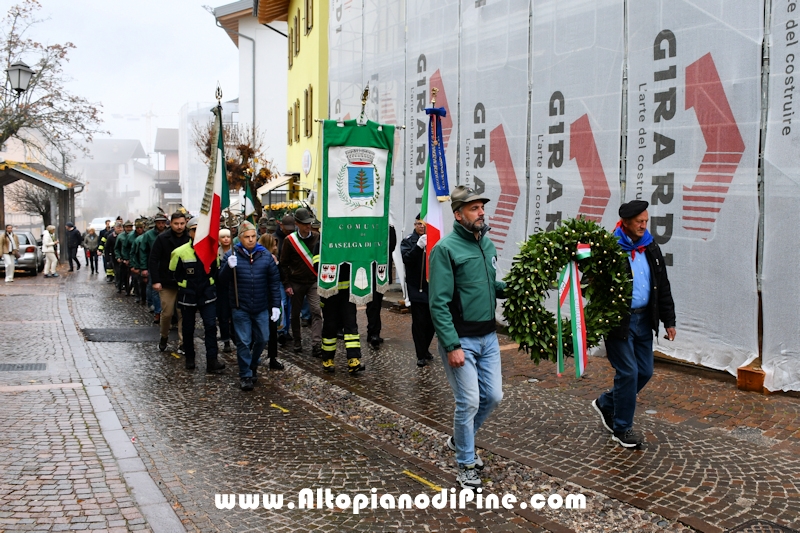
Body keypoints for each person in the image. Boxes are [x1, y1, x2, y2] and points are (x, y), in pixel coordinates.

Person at [429, 185, 506, 491]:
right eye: (474, 209)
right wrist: (451, 345)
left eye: (482, 207)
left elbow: (490, 285)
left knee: (494, 396)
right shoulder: (446, 249)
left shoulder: (486, 245)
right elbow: (438, 303)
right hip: (462, 340)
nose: (481, 213)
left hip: (488, 337)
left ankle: (460, 438)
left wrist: (519, 287)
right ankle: (466, 464)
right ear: (458, 214)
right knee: (469, 400)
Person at [591, 200, 676, 449]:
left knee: (645, 371)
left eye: (645, 221)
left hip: (643, 320)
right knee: (628, 373)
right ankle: (622, 428)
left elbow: (663, 285)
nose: (643, 225)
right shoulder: (609, 248)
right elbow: (588, 274)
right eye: (639, 222)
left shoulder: (650, 246)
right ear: (625, 223)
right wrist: (582, 249)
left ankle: (607, 403)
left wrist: (669, 320)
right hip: (619, 320)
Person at [218, 221, 283, 391]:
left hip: (261, 306)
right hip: (241, 307)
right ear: (240, 238)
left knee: (263, 338)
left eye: (254, 236)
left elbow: (274, 282)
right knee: (244, 341)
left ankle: (253, 363)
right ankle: (245, 374)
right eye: (247, 237)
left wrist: (276, 305)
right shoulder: (232, 255)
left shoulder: (266, 256)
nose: (251, 240)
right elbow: (221, 282)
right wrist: (227, 267)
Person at [169, 218, 226, 374]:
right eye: (194, 230)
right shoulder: (180, 252)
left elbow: (216, 269)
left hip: (207, 294)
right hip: (188, 295)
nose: (197, 233)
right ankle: (190, 358)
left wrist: (210, 283)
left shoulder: (211, 250)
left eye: (199, 230)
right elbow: (174, 273)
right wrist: (186, 285)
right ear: (189, 232)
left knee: (210, 327)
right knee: (188, 328)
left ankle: (212, 360)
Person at [280, 207, 323, 357]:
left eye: (309, 223)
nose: (308, 226)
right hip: (296, 282)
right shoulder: (289, 241)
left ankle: (316, 344)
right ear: (297, 223)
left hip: (313, 281)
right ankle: (297, 341)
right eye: (304, 223)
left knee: (316, 311)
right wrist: (286, 284)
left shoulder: (318, 237)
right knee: (295, 314)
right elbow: (283, 264)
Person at [149, 212, 190, 353]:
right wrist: (156, 281)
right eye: (176, 224)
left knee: (182, 313)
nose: (179, 227)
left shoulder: (189, 238)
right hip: (167, 282)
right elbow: (153, 260)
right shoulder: (162, 239)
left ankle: (183, 343)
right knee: (166, 314)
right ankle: (164, 336)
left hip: (185, 281)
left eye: (182, 224)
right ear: (170, 224)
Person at [319, 263, 365, 375]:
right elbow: (317, 264)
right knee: (330, 326)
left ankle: (353, 359)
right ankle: (328, 359)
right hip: (328, 292)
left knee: (351, 325)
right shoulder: (323, 245)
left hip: (347, 293)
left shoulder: (347, 244)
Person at [402, 215, 435, 367]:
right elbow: (407, 259)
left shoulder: (434, 238)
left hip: (432, 287)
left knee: (432, 323)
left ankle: (425, 347)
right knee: (419, 322)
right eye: (419, 224)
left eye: (424, 224)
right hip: (416, 287)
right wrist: (418, 247)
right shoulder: (408, 240)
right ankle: (420, 354)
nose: (422, 227)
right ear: (415, 225)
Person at [365, 225, 396, 348]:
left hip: (381, 269)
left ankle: (373, 331)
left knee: (376, 303)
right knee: (372, 303)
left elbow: (391, 245)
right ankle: (373, 333)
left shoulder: (388, 227)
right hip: (368, 267)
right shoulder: (367, 225)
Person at [135, 213, 168, 323]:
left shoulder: (169, 233)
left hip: (167, 265)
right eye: (159, 223)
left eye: (163, 223)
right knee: (154, 289)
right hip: (153, 265)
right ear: (155, 224)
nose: (161, 225)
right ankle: (157, 312)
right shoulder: (148, 235)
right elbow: (143, 252)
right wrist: (143, 268)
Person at [274, 213, 295, 344]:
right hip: (279, 277)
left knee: (289, 306)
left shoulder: (293, 238)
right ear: (281, 225)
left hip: (291, 276)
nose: (289, 230)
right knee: (283, 304)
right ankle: (281, 330)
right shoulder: (276, 239)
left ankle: (286, 330)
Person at [216, 228, 235, 353]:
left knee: (234, 314)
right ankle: (226, 340)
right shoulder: (216, 252)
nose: (226, 239)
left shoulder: (236, 251)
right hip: (220, 287)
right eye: (223, 237)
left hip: (234, 287)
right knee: (223, 315)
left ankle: (235, 336)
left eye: (228, 237)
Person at [114, 220, 134, 293]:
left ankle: (130, 289)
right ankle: (120, 287)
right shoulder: (120, 236)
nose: (129, 229)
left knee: (134, 276)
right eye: (127, 227)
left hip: (133, 258)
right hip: (123, 258)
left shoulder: (135, 235)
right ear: (124, 228)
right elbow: (117, 248)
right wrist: (118, 257)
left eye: (130, 227)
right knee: (122, 275)